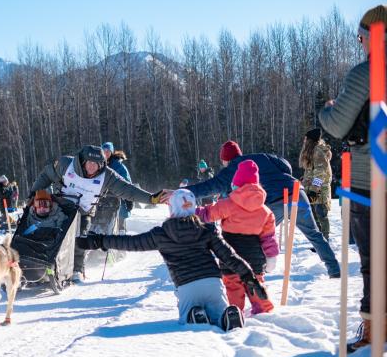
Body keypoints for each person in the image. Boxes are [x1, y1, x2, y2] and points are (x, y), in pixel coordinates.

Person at [77, 189, 267, 330]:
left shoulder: (161, 234)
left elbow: (131, 243)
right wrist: (250, 277)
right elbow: (230, 256)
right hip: (212, 283)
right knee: (219, 311)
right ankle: (227, 315)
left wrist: (99, 241)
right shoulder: (207, 230)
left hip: (186, 286)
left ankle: (195, 316)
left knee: (187, 315)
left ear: (172, 209)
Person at [318, 4, 387, 353]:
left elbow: (336, 125)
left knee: (375, 260)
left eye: (360, 38)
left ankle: (375, 331)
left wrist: (325, 108)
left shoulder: (366, 72)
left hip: (369, 178)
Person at [186, 140, 340, 278]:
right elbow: (285, 165)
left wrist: (185, 192)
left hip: (276, 200)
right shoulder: (263, 157)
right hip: (297, 193)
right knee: (314, 233)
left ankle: (258, 269)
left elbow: (210, 186)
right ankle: (334, 269)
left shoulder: (235, 167)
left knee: (262, 234)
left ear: (226, 159)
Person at [30, 145, 167, 282]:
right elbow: (47, 174)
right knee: (51, 231)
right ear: (83, 161)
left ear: (101, 164)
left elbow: (127, 189)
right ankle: (40, 263)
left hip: (84, 211)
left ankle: (77, 269)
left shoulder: (107, 176)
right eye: (89, 162)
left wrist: (151, 199)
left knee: (81, 237)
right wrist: (34, 192)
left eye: (96, 164)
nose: (92, 167)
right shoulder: (66, 165)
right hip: (60, 206)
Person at [196, 160, 278, 315]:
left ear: (236, 184)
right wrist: (271, 256)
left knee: (233, 286)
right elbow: (269, 237)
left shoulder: (228, 204)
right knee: (256, 284)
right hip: (255, 257)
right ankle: (265, 311)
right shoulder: (265, 211)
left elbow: (207, 214)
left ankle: (235, 312)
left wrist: (190, 212)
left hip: (230, 254)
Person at [299, 128, 332, 240]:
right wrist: (304, 180)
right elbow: (311, 171)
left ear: (310, 140)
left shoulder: (318, 151)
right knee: (314, 215)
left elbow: (320, 172)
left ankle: (324, 240)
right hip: (313, 188)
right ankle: (319, 241)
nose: (304, 141)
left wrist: (314, 189)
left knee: (320, 214)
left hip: (319, 190)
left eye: (306, 139)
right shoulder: (312, 151)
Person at [94, 142, 134, 235]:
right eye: (104, 151)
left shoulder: (118, 166)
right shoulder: (97, 164)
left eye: (108, 151)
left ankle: (122, 236)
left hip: (117, 197)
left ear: (112, 152)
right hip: (101, 197)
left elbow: (127, 182)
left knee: (120, 216)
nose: (106, 153)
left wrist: (129, 199)